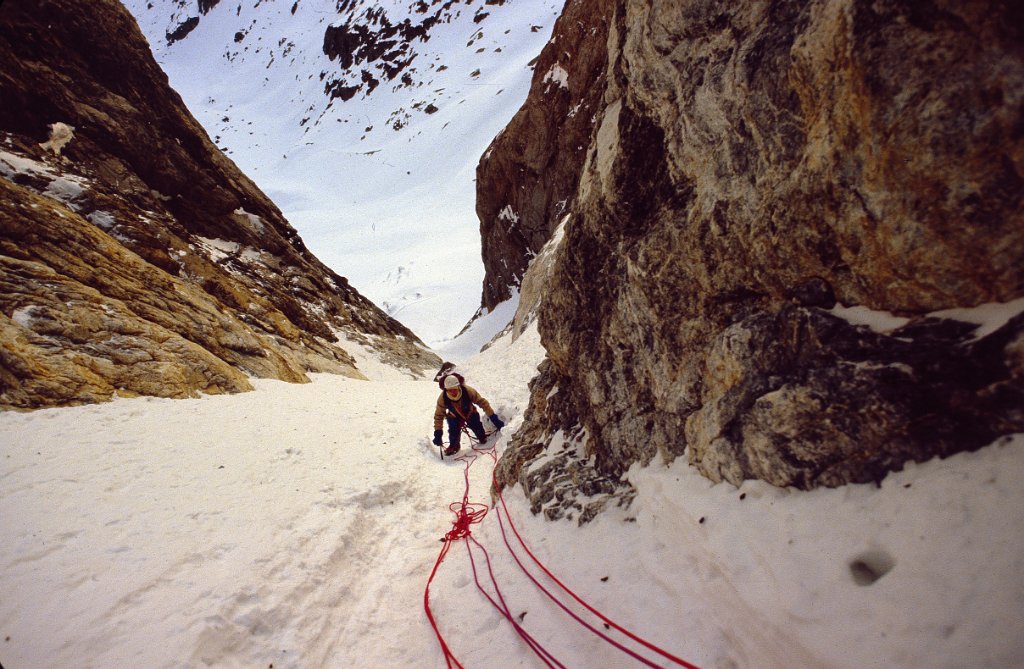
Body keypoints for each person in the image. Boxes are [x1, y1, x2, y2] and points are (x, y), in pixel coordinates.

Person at [433, 373, 504, 456]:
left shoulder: (468, 391)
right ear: (446, 390)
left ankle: (482, 437)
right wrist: (438, 432)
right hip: (454, 416)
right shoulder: (442, 398)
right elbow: (438, 416)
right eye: (450, 390)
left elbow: (482, 403)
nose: (453, 392)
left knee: (476, 425)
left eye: (454, 389)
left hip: (470, 412)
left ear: (458, 387)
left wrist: (493, 417)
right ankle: (454, 446)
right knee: (453, 430)